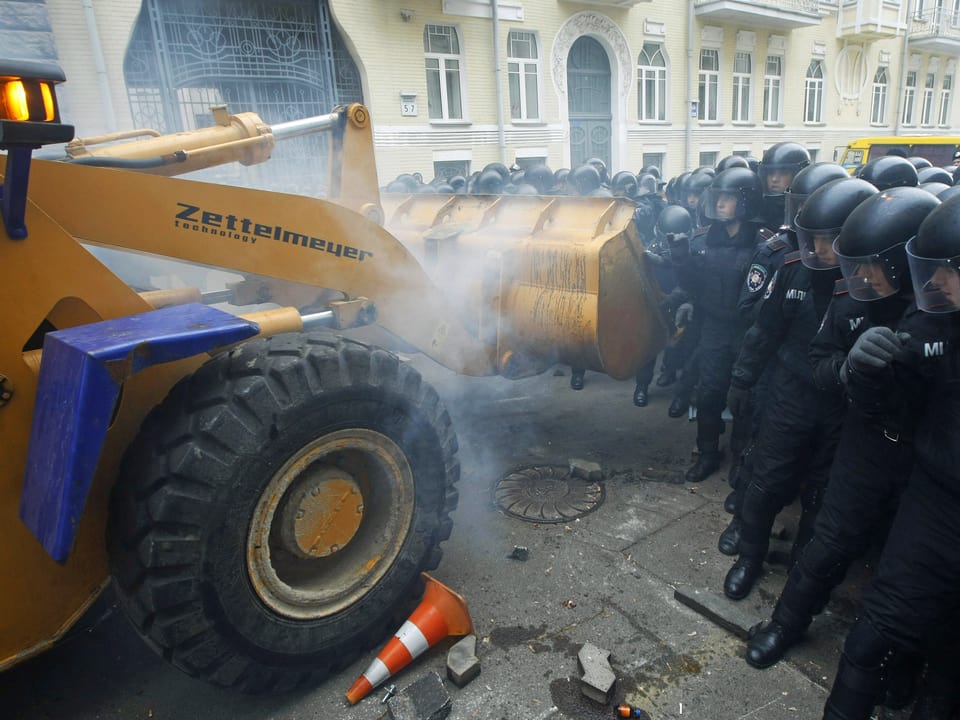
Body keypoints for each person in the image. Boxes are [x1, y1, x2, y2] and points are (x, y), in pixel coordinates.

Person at [743, 186, 940, 670]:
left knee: (909, 570)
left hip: (928, 461)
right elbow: (819, 360)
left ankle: (900, 665)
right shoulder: (850, 300)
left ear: (899, 262)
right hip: (866, 442)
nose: (858, 277)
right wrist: (849, 370)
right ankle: (785, 623)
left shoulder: (944, 317)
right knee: (829, 539)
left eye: (868, 266)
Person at [820, 195, 960, 720]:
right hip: (938, 502)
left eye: (948, 270)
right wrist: (865, 373)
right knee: (872, 637)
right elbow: (895, 413)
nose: (936, 283)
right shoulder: (935, 329)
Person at [721, 178, 879, 601]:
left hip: (842, 407)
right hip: (791, 394)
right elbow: (764, 330)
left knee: (820, 497)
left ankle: (801, 572)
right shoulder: (793, 268)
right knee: (766, 483)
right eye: (816, 240)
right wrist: (743, 378)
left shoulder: (874, 288)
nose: (820, 251)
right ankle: (750, 558)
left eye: (831, 241)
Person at [669, 167, 764, 482]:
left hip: (747, 333)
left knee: (744, 400)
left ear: (746, 202)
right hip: (713, 329)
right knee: (708, 394)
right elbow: (693, 285)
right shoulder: (703, 239)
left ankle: (741, 459)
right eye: (718, 197)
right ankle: (707, 453)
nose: (720, 204)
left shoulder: (763, 244)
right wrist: (680, 257)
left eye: (728, 198)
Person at [758, 142, 811, 232]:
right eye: (771, 173)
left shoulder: (807, 208)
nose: (774, 179)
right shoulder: (760, 206)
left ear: (798, 174)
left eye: (783, 173)